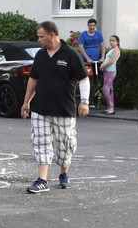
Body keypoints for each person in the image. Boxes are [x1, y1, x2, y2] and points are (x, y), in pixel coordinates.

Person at [20, 20, 90, 193]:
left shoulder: (71, 54)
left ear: (52, 35)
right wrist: (26, 102)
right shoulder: (40, 55)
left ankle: (63, 173)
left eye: (41, 37)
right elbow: (33, 79)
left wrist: (84, 102)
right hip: (40, 108)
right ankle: (42, 180)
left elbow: (83, 78)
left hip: (64, 109)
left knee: (65, 145)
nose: (39, 40)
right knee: (41, 143)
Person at [77, 18, 105, 103]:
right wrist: (87, 58)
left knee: (98, 80)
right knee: (89, 80)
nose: (92, 27)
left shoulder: (98, 34)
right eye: (90, 25)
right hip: (87, 62)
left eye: (93, 25)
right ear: (87, 26)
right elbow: (80, 47)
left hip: (97, 62)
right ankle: (88, 99)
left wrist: (102, 57)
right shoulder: (83, 34)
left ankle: (97, 99)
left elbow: (103, 46)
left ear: (96, 26)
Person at [100, 35, 120, 115]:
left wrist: (103, 66)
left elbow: (111, 61)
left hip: (110, 72)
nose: (111, 42)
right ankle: (110, 107)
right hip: (108, 71)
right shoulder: (113, 50)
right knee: (110, 90)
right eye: (110, 40)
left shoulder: (116, 50)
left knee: (105, 89)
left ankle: (111, 108)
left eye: (113, 40)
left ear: (117, 42)